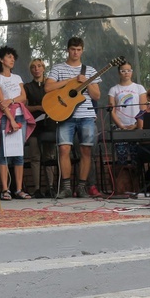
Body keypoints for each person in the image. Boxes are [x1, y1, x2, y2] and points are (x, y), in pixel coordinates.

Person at [45, 37, 101, 199]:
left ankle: (82, 187)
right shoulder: (58, 68)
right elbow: (48, 87)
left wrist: (87, 82)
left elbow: (96, 95)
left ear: (82, 51)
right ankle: (66, 187)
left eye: (78, 50)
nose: (75, 53)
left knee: (86, 150)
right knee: (63, 149)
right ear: (68, 50)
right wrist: (71, 80)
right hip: (64, 115)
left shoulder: (89, 70)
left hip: (86, 115)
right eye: (72, 49)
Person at [0, 46, 36, 201]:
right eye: (9, 56)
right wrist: (12, 120)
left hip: (21, 115)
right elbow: (1, 103)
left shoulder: (17, 77)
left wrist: (12, 100)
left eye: (13, 57)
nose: (12, 59)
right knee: (5, 154)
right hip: (6, 118)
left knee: (19, 154)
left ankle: (19, 189)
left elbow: (23, 97)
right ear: (1, 59)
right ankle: (5, 189)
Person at [24, 58, 57, 198]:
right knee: (35, 156)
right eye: (33, 67)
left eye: (39, 66)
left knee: (49, 156)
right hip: (33, 125)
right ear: (31, 70)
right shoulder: (27, 87)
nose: (36, 69)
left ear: (43, 68)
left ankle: (51, 186)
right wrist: (38, 107)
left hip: (49, 124)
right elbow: (24, 107)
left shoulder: (50, 84)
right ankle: (37, 188)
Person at [107, 63, 147, 164]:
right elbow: (112, 110)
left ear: (132, 72)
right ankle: (123, 177)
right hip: (120, 127)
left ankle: (136, 178)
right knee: (121, 156)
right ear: (119, 73)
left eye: (129, 70)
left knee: (136, 157)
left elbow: (143, 109)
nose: (126, 73)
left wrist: (136, 125)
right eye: (123, 71)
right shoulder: (114, 89)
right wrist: (121, 126)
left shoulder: (139, 88)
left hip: (136, 125)